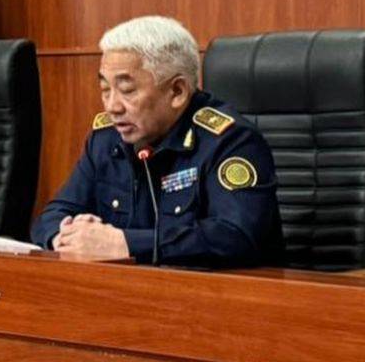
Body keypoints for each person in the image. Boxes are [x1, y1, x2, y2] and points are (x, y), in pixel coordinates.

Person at [33, 15, 283, 268]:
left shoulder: (230, 141)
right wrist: (65, 237)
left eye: (127, 90)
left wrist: (125, 244)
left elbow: (235, 236)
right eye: (106, 89)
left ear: (177, 91)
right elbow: (53, 215)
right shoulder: (106, 139)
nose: (112, 107)